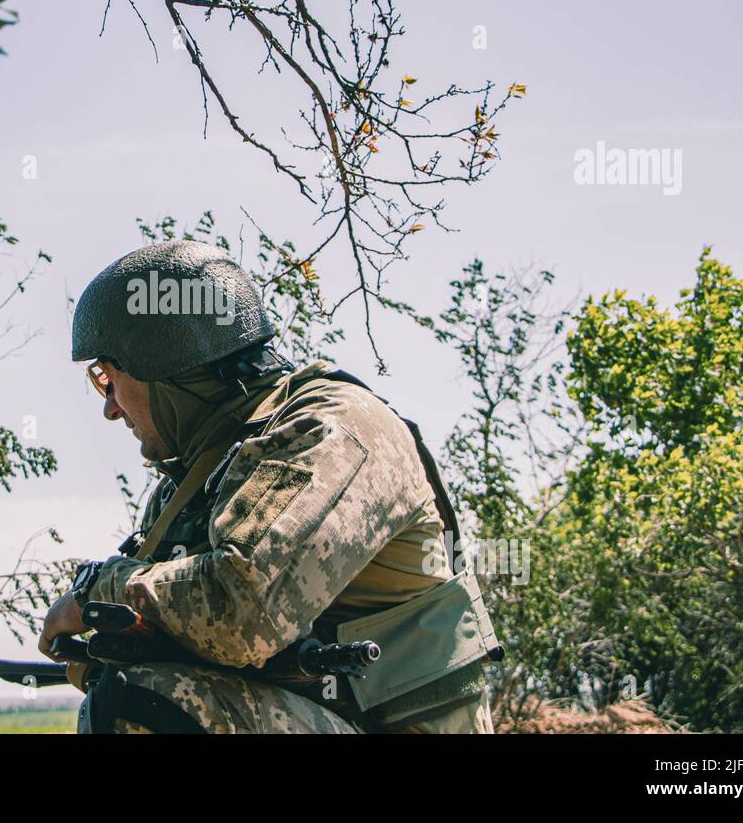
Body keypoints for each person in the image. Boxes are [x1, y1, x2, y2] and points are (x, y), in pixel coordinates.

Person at [40, 239, 500, 733]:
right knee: (129, 693)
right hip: (328, 718)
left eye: (107, 378)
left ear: (162, 367)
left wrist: (96, 591)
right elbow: (180, 628)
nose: (109, 408)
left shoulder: (333, 430)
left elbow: (242, 612)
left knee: (151, 702)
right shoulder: (200, 479)